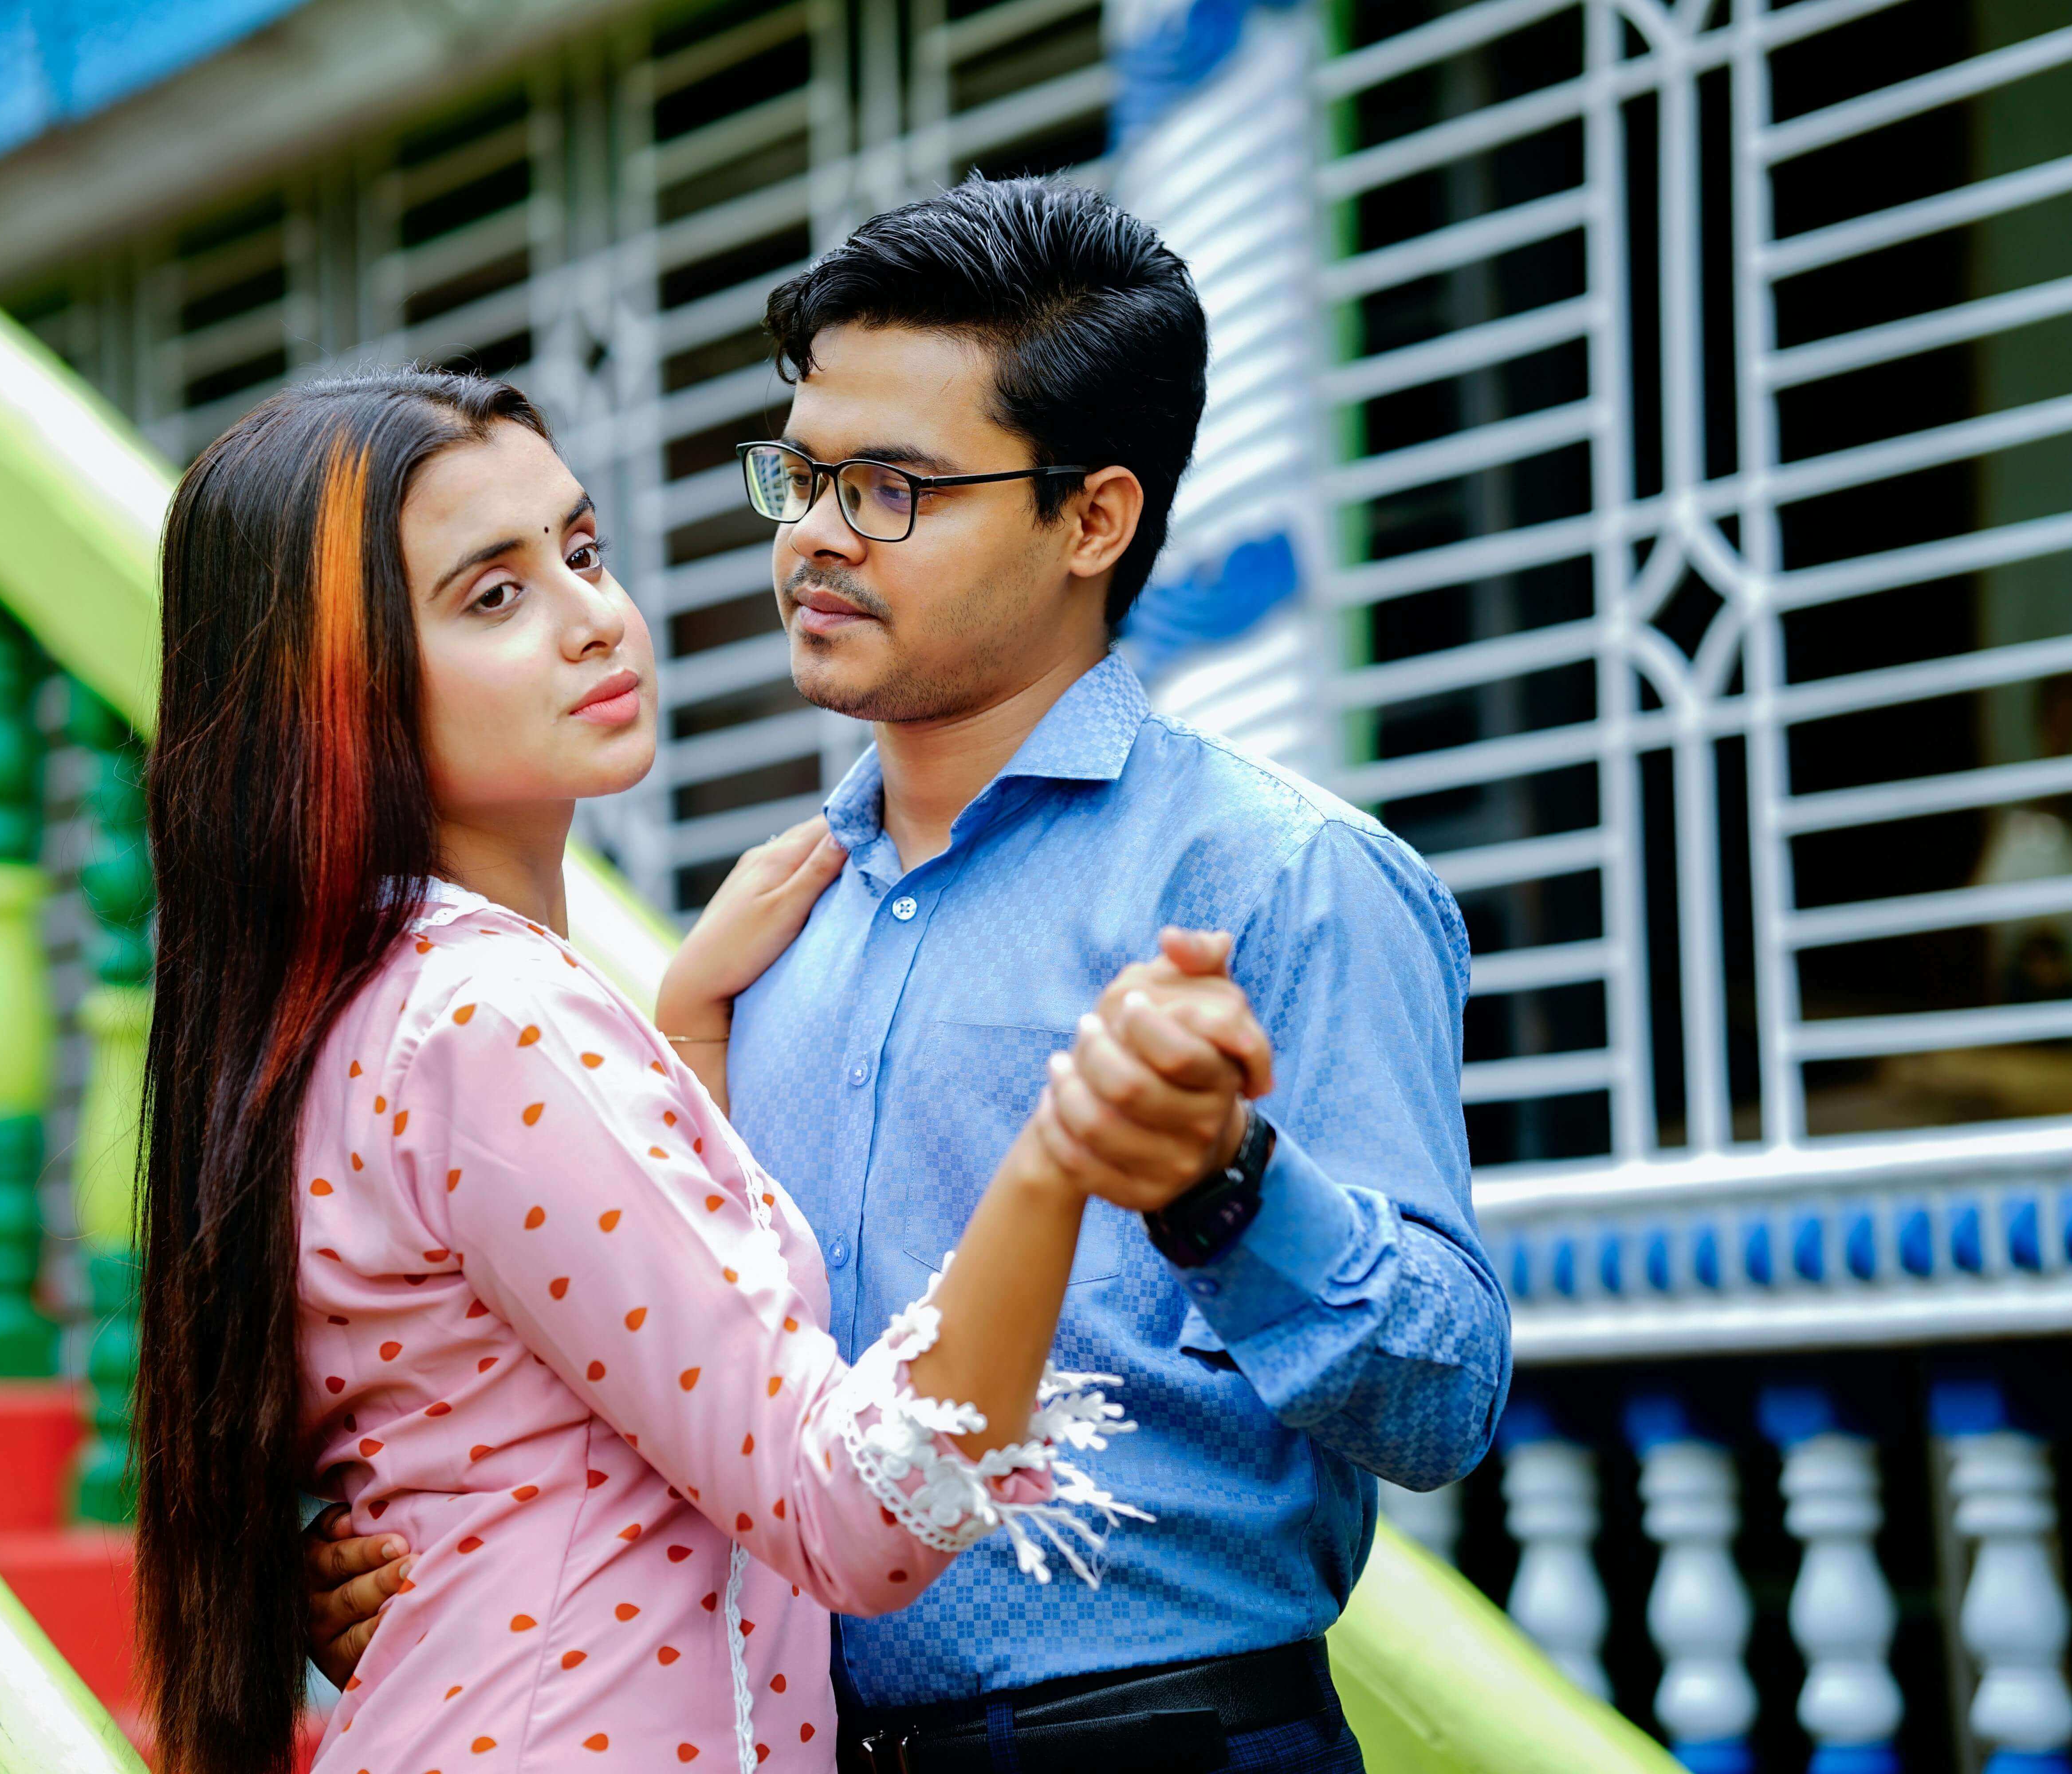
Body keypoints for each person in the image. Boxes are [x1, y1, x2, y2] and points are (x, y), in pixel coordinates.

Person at [310, 177, 1512, 1772]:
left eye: (891, 488)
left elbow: (1439, 1401)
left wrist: (1224, 1187)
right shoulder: (766, 925)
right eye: (803, 474)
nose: (813, 532)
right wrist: (372, 1528)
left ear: (1093, 518)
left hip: (1151, 1743)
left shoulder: (1279, 876)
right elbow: (688, 1380)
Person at [131, 366, 1283, 1774]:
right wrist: (1060, 1151)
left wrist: (682, 1037)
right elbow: (849, 1512)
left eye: (581, 552)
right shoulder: (489, 1023)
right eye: (493, 597)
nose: (593, 620)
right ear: (330, 694)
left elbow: (574, 1396)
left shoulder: (357, 1004)